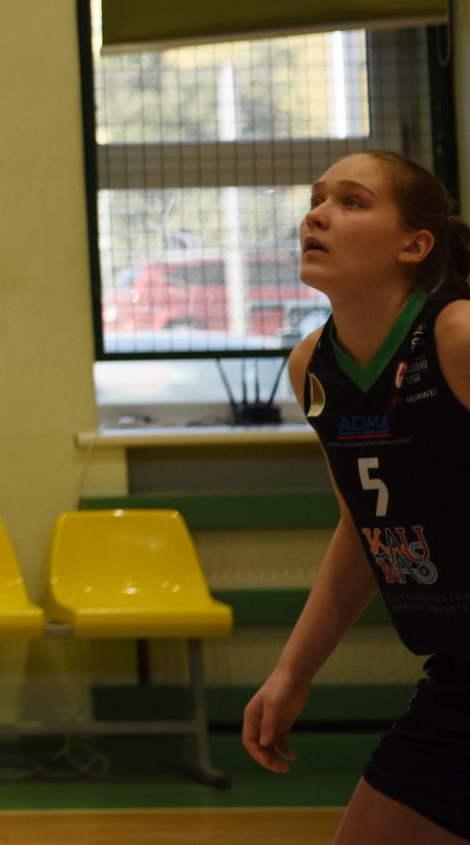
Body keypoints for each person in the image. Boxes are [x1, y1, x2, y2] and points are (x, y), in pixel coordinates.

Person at [244, 151, 470, 844]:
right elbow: (362, 525)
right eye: (317, 199)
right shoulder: (312, 366)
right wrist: (293, 670)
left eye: (352, 201)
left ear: (414, 245)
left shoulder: (457, 335)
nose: (317, 215)